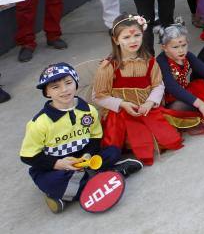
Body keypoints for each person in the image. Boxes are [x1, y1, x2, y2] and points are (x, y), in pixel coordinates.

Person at [20, 62, 142, 214]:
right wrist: (58, 163)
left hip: (84, 158)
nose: (64, 90)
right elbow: (27, 156)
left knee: (113, 151)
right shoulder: (39, 123)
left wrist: (88, 154)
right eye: (55, 87)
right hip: (54, 165)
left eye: (68, 83)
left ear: (76, 83)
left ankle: (72, 191)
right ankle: (110, 175)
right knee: (52, 182)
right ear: (47, 93)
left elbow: (95, 137)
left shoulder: (88, 111)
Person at [92, 14, 183, 165]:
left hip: (145, 108)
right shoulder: (108, 66)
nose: (133, 41)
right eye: (126, 37)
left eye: (137, 35)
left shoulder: (149, 61)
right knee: (131, 142)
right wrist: (122, 104)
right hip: (121, 113)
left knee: (168, 139)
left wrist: (150, 102)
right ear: (116, 40)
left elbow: (158, 85)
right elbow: (98, 96)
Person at [155, 22, 204, 137]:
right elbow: (172, 88)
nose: (181, 50)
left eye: (183, 45)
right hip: (171, 99)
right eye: (175, 47)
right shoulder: (161, 61)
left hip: (186, 91)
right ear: (164, 48)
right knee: (179, 108)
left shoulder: (187, 55)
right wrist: (200, 103)